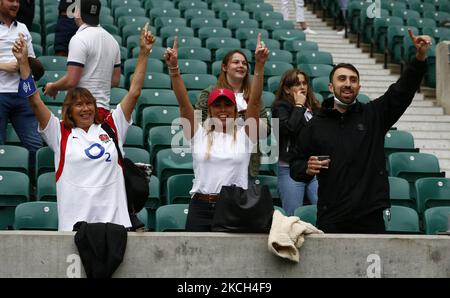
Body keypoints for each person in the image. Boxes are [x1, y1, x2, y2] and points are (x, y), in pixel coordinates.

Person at [12, 23, 155, 231]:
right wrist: (23, 64)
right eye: (79, 104)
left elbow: (134, 93)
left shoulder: (112, 126)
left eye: (89, 103)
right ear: (69, 110)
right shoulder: (59, 132)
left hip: (115, 227)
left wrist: (144, 53)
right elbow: (34, 101)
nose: (86, 109)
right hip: (75, 229)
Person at [289, 30, 432, 234]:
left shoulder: (373, 115)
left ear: (359, 86)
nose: (348, 84)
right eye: (342, 79)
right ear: (331, 86)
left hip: (369, 216)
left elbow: (402, 91)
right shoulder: (315, 124)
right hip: (331, 215)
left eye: (353, 80)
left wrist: (419, 58)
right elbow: (295, 164)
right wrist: (307, 167)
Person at [164, 34, 269, 232]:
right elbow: (183, 103)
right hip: (201, 206)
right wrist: (174, 70)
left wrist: (260, 66)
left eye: (227, 106)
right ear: (209, 110)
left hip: (234, 206)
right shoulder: (198, 135)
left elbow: (254, 102)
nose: (222, 110)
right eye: (217, 105)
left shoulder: (246, 136)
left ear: (236, 110)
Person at [195, 49, 270, 179]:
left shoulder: (253, 96)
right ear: (224, 67)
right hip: (215, 157)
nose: (241, 65)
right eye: (236, 62)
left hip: (247, 163)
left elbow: (265, 131)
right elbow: (195, 124)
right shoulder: (210, 93)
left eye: (244, 63)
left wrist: (250, 118)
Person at [43, 0, 121, 122]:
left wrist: (53, 86)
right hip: (104, 110)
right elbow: (115, 81)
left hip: (82, 111)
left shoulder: (79, 39)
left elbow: (71, 80)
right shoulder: (113, 41)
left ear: (77, 13)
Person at [271, 69, 321, 216]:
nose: (302, 87)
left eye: (304, 83)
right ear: (287, 89)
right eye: (297, 84)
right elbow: (288, 129)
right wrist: (298, 106)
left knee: (325, 210)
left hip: (315, 169)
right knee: (293, 215)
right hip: (289, 169)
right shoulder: (279, 108)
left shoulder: (316, 108)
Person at [0, 0, 42, 169]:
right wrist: (4, 66)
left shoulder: (22, 28)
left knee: (35, 146)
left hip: (21, 94)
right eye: (11, 0)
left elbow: (30, 60)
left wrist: (23, 62)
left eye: (18, 1)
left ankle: (32, 185)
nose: (16, 4)